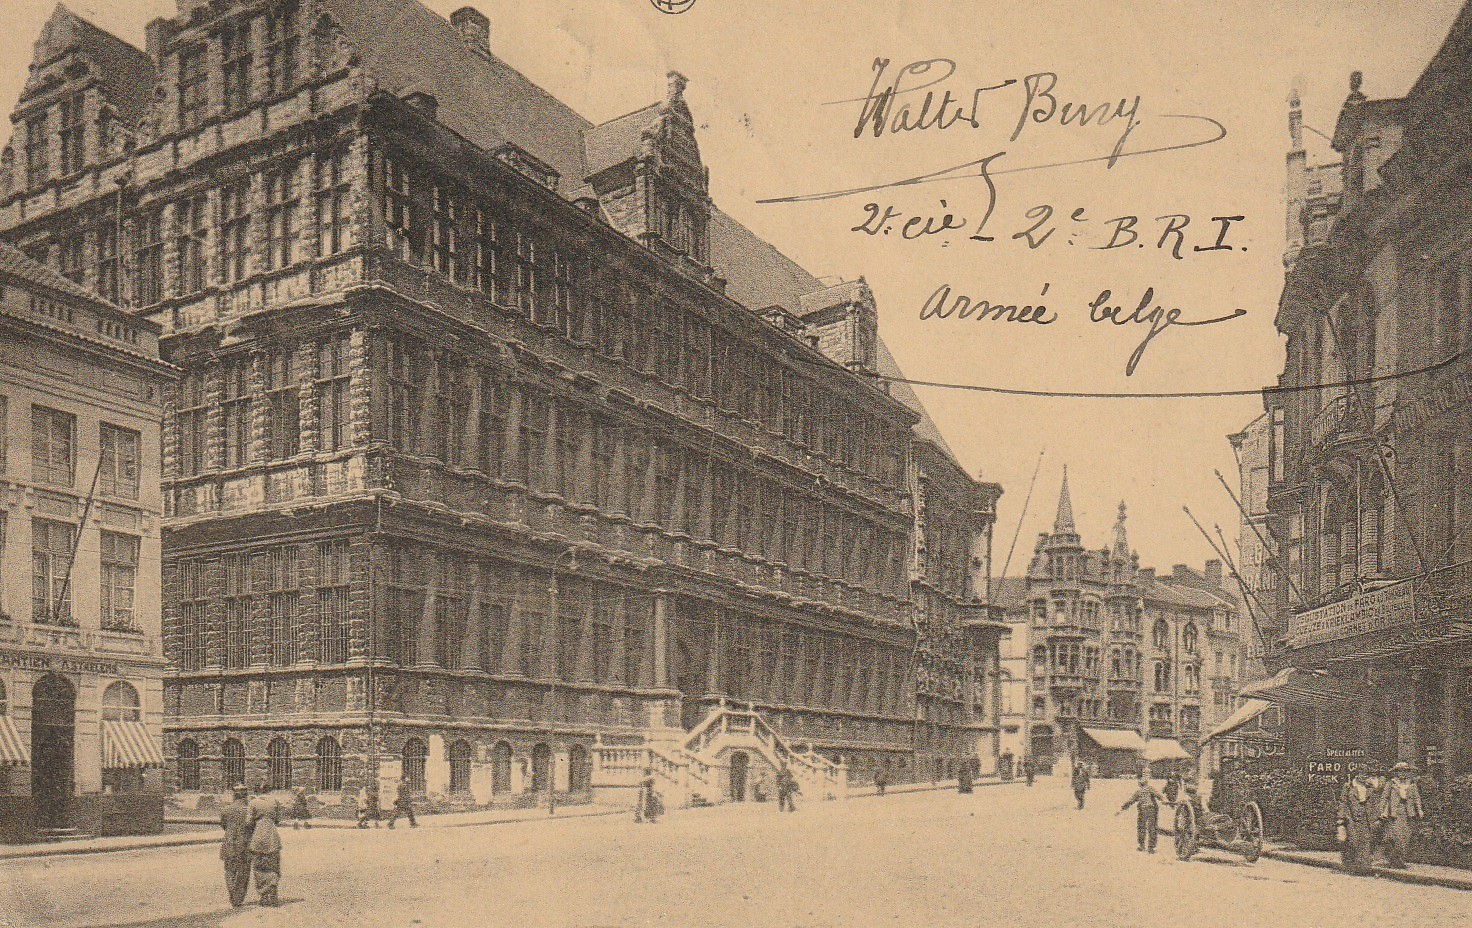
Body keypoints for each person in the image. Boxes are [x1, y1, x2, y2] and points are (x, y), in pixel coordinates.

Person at [1379, 762, 1425, 869]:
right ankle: (1395, 861)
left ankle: (1400, 860)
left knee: (1405, 837)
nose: (1402, 773)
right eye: (1400, 771)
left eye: (1404, 771)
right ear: (1396, 772)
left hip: (1408, 813)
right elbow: (1384, 797)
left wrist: (1419, 809)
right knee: (1396, 837)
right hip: (1394, 814)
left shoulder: (1412, 784)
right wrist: (1381, 811)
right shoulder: (1391, 783)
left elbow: (1416, 798)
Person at [1337, 767, 1380, 875]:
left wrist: (1376, 818)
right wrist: (1341, 818)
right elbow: (1343, 802)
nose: (1364, 776)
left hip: (1366, 818)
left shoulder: (1370, 787)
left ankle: (1363, 868)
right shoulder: (1349, 787)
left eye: (1366, 775)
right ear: (1357, 775)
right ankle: (1350, 865)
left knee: (1365, 841)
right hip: (1351, 818)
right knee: (1354, 841)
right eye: (1362, 774)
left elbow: (1375, 803)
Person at [219, 784, 253, 908]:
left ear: (234, 795)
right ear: (245, 795)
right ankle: (238, 897)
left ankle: (232, 891)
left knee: (229, 870)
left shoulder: (226, 809)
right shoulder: (249, 810)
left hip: (229, 843)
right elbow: (252, 826)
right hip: (244, 844)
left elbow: (223, 825)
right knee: (244, 871)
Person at [248, 788, 283, 907]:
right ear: (269, 791)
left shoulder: (253, 802)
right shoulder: (275, 802)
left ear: (258, 791)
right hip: (272, 837)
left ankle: (263, 895)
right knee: (273, 866)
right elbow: (278, 820)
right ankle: (272, 892)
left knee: (259, 867)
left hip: (258, 837)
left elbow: (248, 822)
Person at [1118, 774, 1166, 853]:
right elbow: (1158, 796)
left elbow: (1131, 801)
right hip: (1152, 810)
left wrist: (1123, 807)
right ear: (1146, 783)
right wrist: (1162, 800)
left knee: (1141, 828)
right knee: (1152, 828)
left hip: (1142, 811)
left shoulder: (1138, 792)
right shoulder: (1150, 789)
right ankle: (1151, 847)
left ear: (1140, 784)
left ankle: (1141, 846)